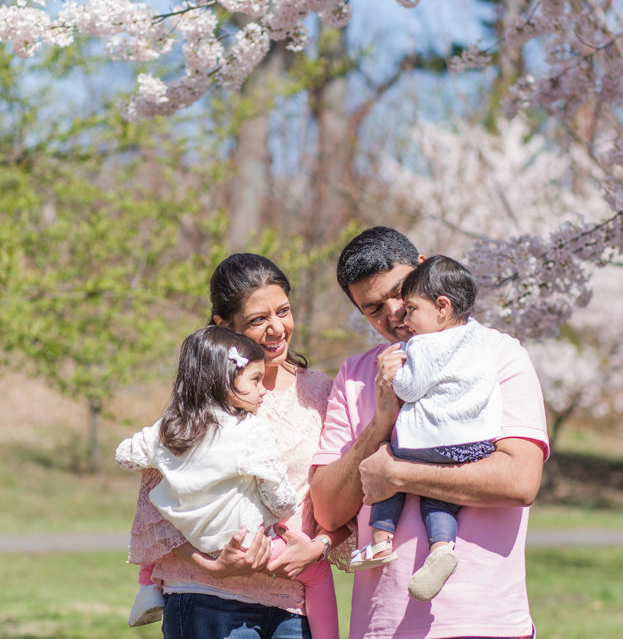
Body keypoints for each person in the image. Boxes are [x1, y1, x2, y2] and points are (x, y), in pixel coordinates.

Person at [310, 227, 549, 638]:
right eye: (373, 308)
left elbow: (520, 481)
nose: (394, 313)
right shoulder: (354, 375)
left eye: (400, 292)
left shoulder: (499, 355)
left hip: (485, 623)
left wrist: (399, 474)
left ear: (424, 269)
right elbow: (328, 510)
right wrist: (382, 420)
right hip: (381, 627)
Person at [125, 253, 348, 639]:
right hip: (206, 597)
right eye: (258, 319)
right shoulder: (202, 400)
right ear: (223, 326)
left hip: (295, 605)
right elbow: (157, 506)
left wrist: (320, 546)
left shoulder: (322, 392)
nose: (277, 328)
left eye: (283, 311)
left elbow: (348, 491)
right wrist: (214, 566)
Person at [349, 256, 504, 602]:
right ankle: (441, 547)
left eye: (409, 306)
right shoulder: (481, 338)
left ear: (442, 306)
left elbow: (410, 389)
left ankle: (379, 540)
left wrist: (393, 376)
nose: (401, 317)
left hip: (427, 441)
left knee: (390, 466)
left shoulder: (422, 343)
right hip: (475, 444)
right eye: (375, 309)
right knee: (439, 495)